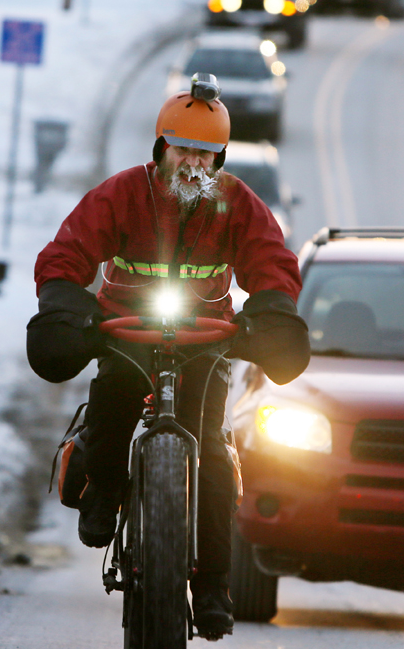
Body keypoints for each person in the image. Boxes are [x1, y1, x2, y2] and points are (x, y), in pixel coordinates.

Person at [25, 74, 310, 639]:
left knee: (212, 452)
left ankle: (211, 586)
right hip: (127, 334)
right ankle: (103, 489)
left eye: (206, 154)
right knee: (111, 403)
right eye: (184, 150)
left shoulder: (237, 203)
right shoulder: (123, 193)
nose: (193, 164)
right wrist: (65, 300)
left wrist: (272, 307)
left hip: (205, 343)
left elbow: (272, 261)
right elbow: (68, 251)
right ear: (161, 148)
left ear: (220, 159)